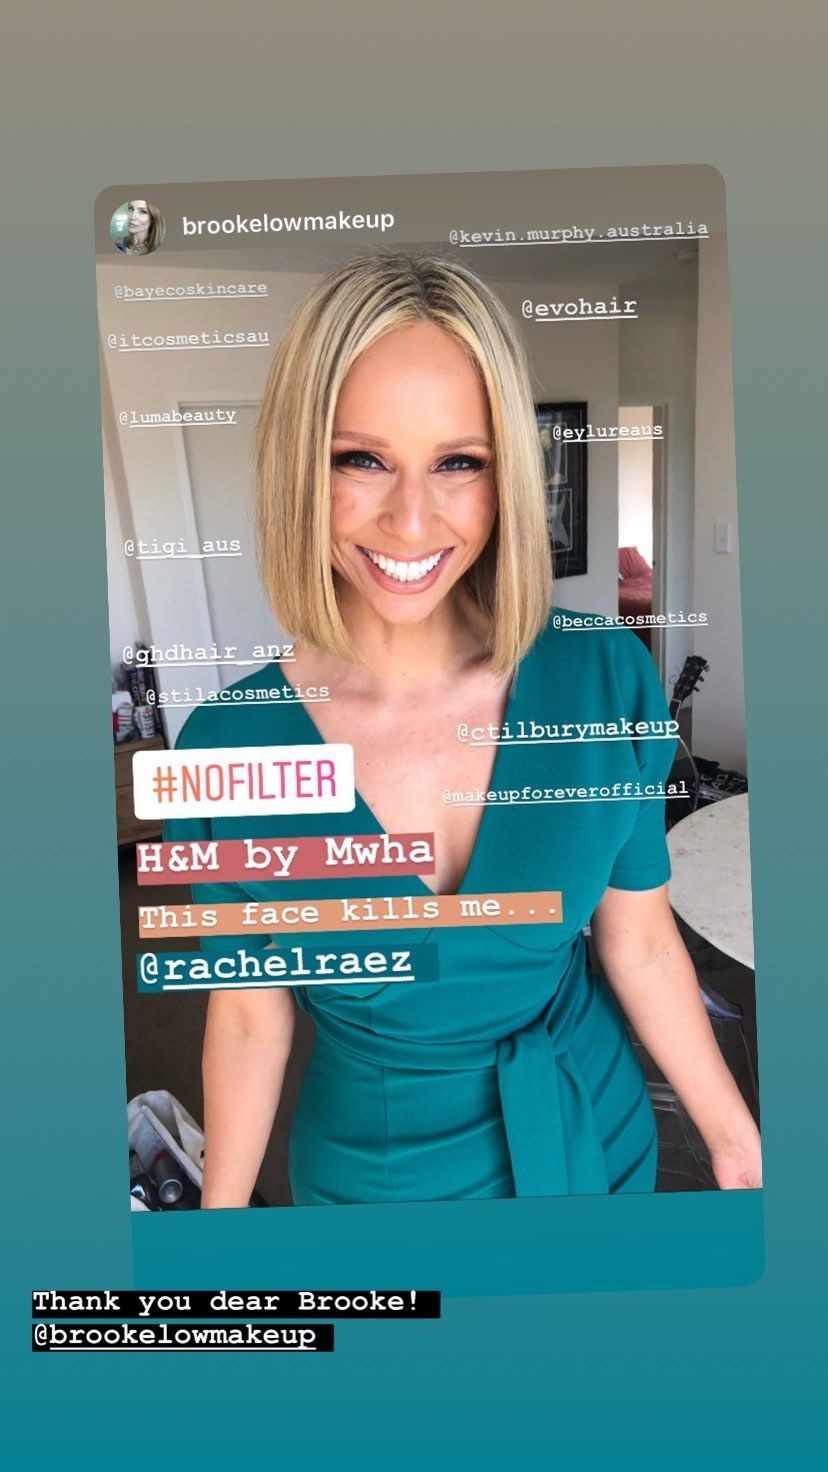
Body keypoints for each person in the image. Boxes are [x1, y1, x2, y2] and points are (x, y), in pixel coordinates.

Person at [164, 253, 762, 1207]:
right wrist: (219, 1226)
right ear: (298, 467)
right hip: (379, 1182)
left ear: (505, 474)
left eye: (458, 463)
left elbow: (642, 942)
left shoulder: (603, 677)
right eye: (361, 459)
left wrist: (736, 1145)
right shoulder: (226, 749)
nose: (412, 520)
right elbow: (247, 1018)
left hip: (594, 1135)